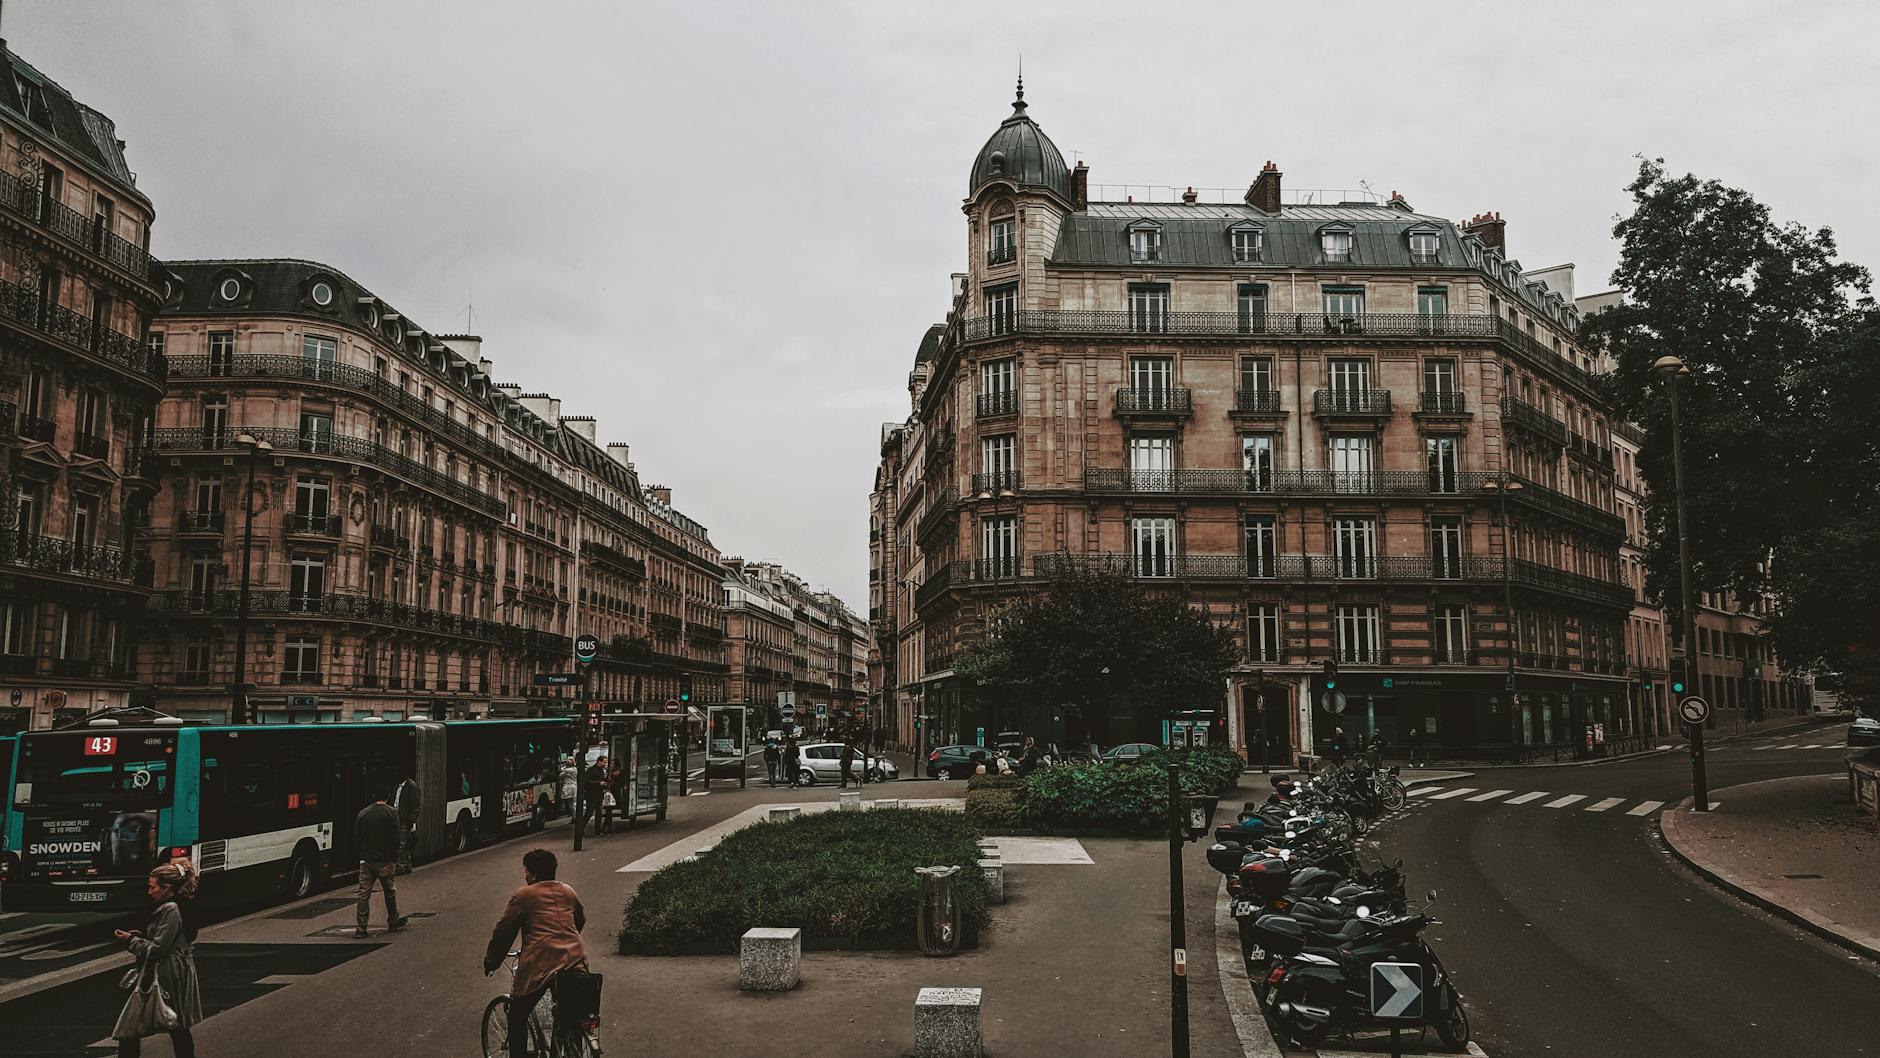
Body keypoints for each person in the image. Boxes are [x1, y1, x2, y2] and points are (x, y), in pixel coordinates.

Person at [483, 849, 589, 1058]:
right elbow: (580, 921)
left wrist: (492, 961)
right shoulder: (568, 891)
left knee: (517, 1014)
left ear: (532, 874)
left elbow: (504, 931)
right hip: (575, 960)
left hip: (541, 963)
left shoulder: (524, 895)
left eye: (526, 871)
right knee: (571, 1015)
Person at [112, 859, 204, 1057]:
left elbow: (159, 949)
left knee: (130, 1027)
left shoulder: (170, 909)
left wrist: (131, 940)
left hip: (165, 973)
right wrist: (142, 936)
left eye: (152, 887)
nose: (149, 891)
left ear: (166, 888)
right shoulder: (178, 905)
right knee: (175, 1025)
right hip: (171, 971)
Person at [354, 787, 408, 938]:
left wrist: (363, 854)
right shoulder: (391, 813)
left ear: (373, 796)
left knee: (363, 894)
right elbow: (396, 838)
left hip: (367, 861)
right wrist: (395, 856)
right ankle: (393, 919)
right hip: (385, 861)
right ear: (388, 796)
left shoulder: (362, 814)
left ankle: (361, 927)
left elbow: (357, 838)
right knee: (389, 892)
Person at [392, 774, 420, 875]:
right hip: (397, 817)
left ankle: (400, 867)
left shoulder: (411, 786)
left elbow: (415, 805)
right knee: (405, 844)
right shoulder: (397, 786)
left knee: (401, 844)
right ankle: (408, 866)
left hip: (404, 819)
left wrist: (412, 822)